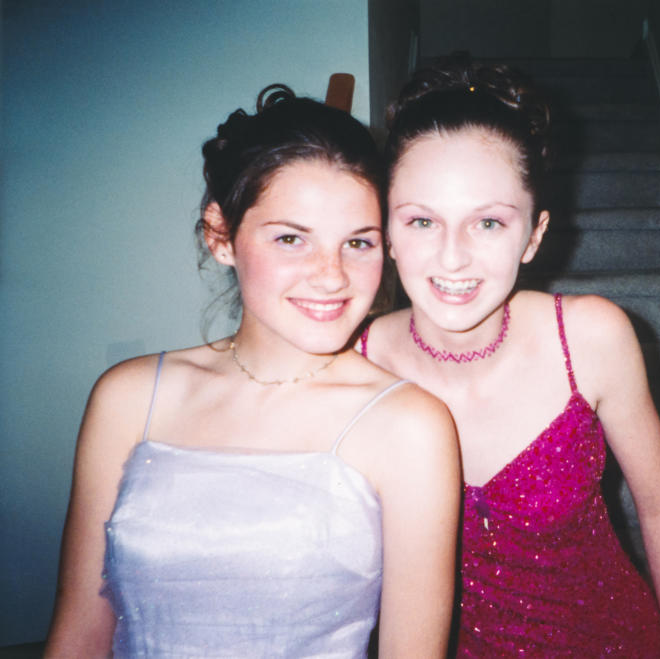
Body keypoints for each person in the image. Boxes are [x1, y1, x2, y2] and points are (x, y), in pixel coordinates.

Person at [45, 84, 461, 658]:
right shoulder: (129, 397)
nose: (332, 276)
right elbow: (78, 635)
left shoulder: (410, 424)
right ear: (221, 235)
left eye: (358, 243)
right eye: (292, 238)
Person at [358, 62, 660, 657]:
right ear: (387, 231)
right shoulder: (354, 364)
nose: (453, 257)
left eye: (488, 222)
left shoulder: (591, 337)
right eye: (421, 221)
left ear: (535, 236)